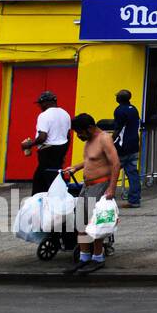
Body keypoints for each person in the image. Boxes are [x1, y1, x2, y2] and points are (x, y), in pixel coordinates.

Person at [59, 114, 120, 276]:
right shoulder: (89, 140)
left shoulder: (104, 139)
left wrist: (112, 189)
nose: (79, 135)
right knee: (80, 223)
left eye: (80, 132)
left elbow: (116, 163)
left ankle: (98, 257)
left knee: (95, 224)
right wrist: (76, 167)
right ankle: (84, 257)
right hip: (86, 186)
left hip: (100, 185)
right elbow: (92, 160)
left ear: (90, 128)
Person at [21, 91, 72, 195]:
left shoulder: (44, 115)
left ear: (45, 102)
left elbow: (42, 137)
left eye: (40, 103)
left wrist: (29, 144)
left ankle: (39, 202)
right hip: (62, 149)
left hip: (47, 151)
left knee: (41, 180)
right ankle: (56, 199)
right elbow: (67, 135)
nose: (40, 106)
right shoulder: (65, 113)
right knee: (55, 176)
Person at [112, 89, 142, 208]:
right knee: (133, 173)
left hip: (122, 146)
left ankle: (109, 199)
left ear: (119, 99)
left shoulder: (119, 111)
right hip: (134, 145)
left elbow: (118, 129)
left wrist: (110, 140)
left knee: (112, 172)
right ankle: (134, 200)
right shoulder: (133, 109)